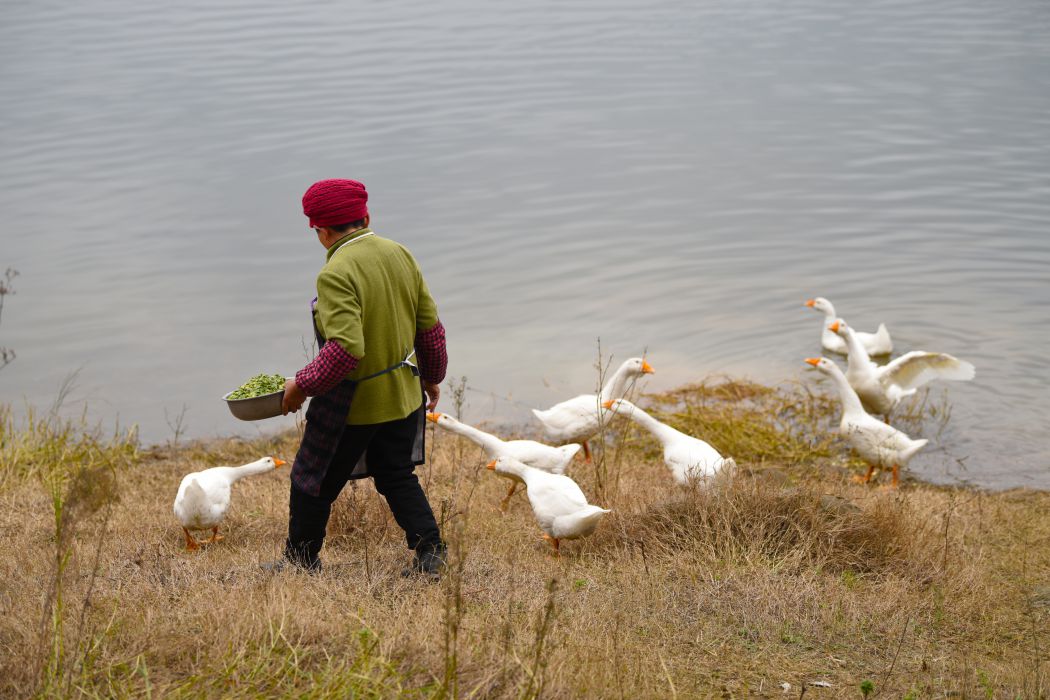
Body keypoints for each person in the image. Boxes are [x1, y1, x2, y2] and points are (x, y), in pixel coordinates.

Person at [269, 178, 448, 578]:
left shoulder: (335, 273)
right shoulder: (399, 253)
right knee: (396, 473)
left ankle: (301, 560)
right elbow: (430, 328)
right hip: (403, 395)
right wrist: (432, 376)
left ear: (321, 231)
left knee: (311, 479)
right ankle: (431, 551)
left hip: (353, 406)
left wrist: (300, 385)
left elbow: (346, 350)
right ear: (366, 218)